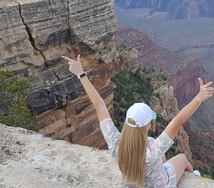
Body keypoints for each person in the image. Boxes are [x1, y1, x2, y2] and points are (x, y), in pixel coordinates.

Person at [61, 54, 214, 188]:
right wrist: (198, 98)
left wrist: (81, 73)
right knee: (182, 157)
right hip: (161, 184)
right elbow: (176, 121)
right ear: (148, 125)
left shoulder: (115, 143)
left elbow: (99, 104)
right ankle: (194, 176)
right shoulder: (152, 150)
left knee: (161, 157)